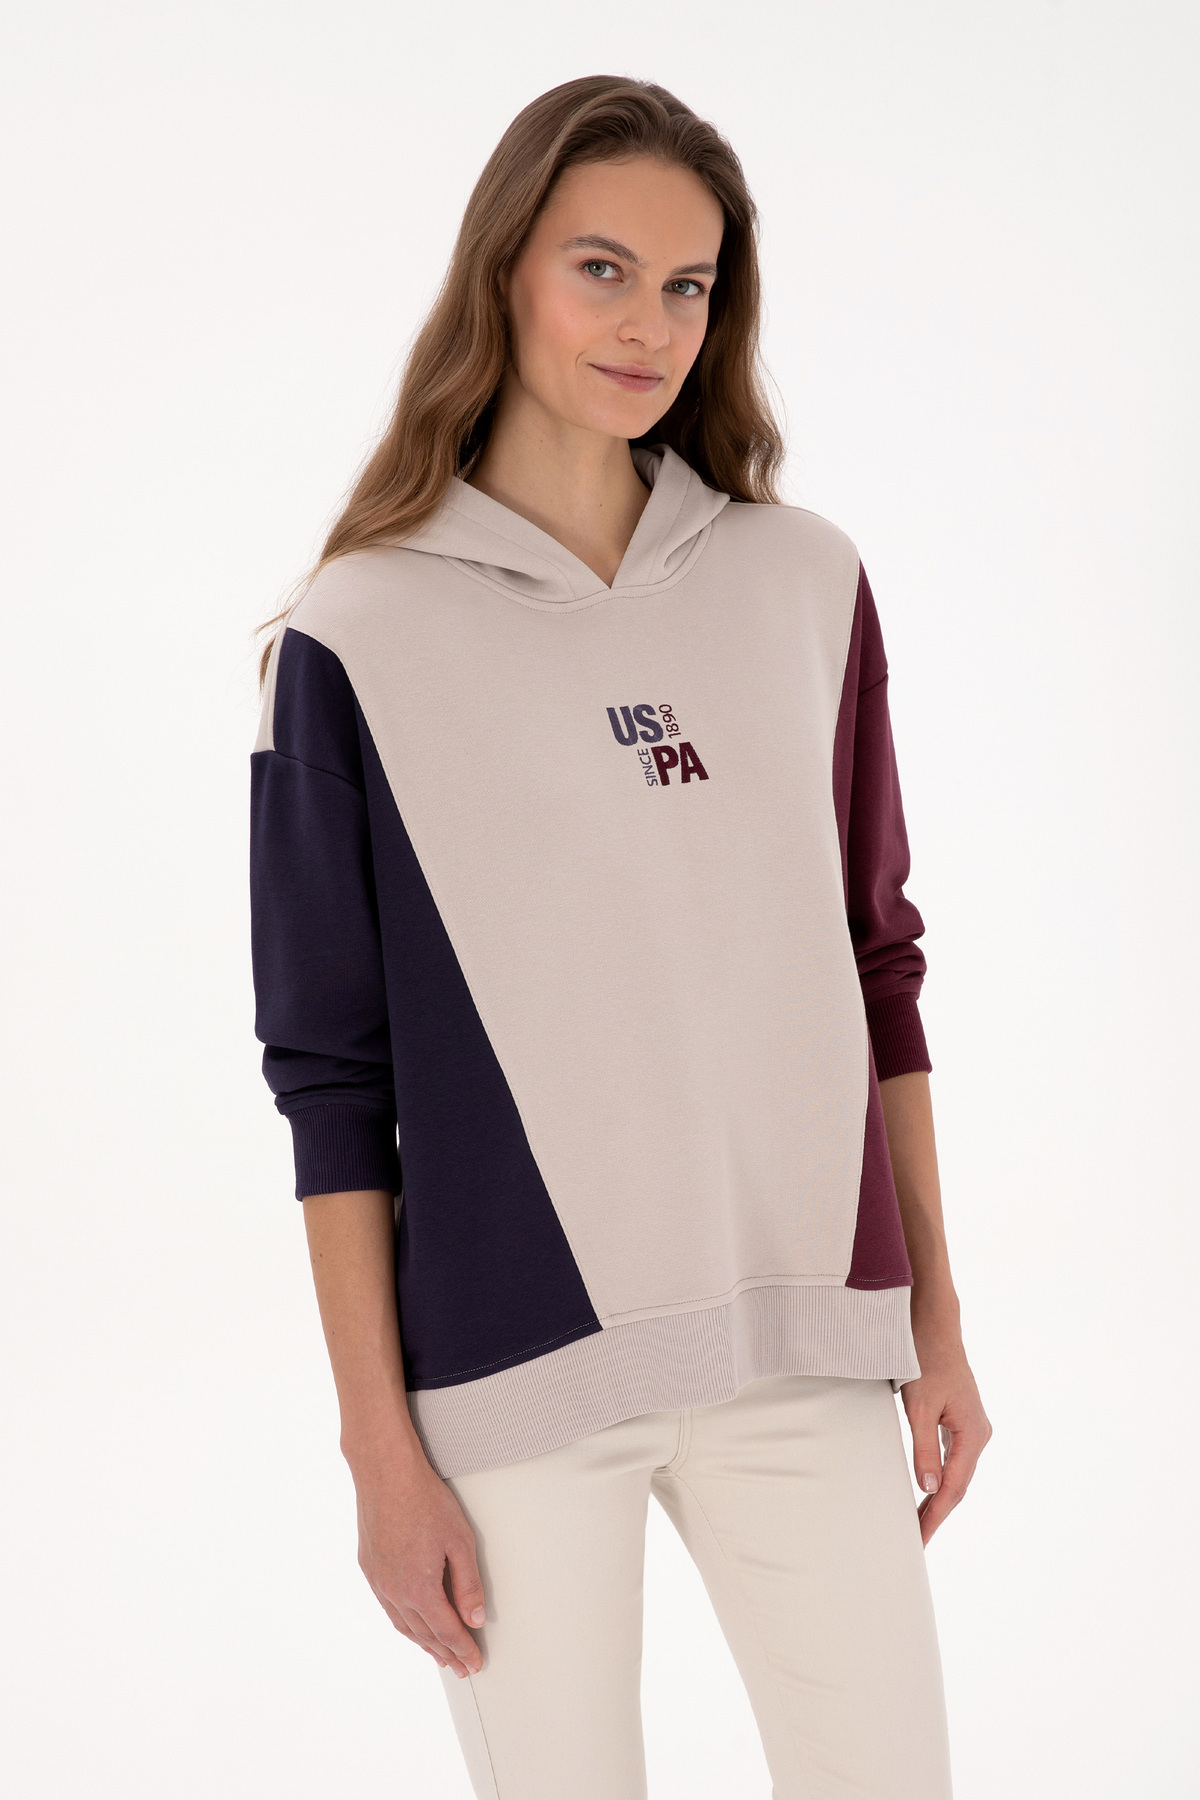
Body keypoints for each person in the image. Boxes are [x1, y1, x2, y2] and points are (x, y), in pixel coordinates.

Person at [249, 73, 991, 1800]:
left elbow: (879, 966)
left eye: (688, 284)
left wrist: (937, 1321)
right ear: (504, 269)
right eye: (602, 269)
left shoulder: (804, 583)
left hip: (804, 1344)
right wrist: (378, 1452)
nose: (648, 324)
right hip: (513, 1379)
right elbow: (331, 1077)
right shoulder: (356, 637)